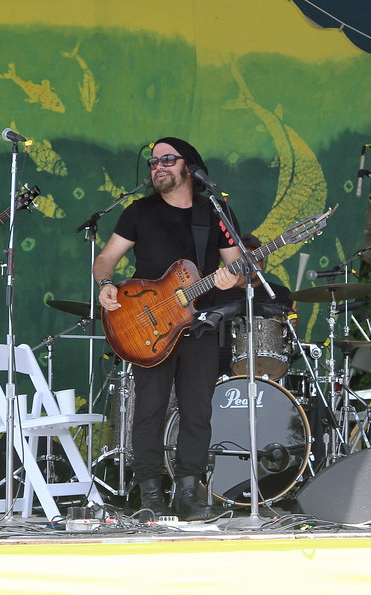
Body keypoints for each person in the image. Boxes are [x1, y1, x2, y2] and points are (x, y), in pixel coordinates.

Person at [94, 137, 240, 520]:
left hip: (200, 325)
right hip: (147, 326)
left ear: (189, 167)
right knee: (150, 409)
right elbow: (106, 258)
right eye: (153, 162)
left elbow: (239, 268)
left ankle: (189, 493)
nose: (157, 166)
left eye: (167, 159)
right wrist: (105, 284)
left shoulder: (216, 211)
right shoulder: (139, 212)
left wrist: (232, 280)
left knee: (197, 411)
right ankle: (150, 495)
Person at [199, 232, 295, 378]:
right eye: (243, 259)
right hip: (220, 371)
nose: (251, 263)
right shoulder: (216, 294)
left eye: (256, 258)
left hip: (268, 371)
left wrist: (292, 323)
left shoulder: (280, 293)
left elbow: (287, 334)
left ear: (264, 262)